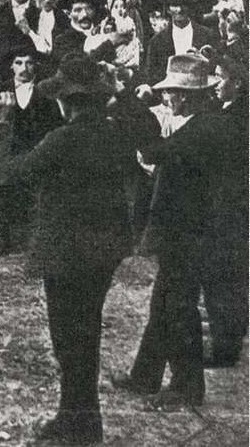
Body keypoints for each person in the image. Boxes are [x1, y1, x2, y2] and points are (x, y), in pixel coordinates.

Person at [0, 55, 133, 443]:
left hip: (68, 253)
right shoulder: (112, 133)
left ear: (67, 100)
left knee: (68, 340)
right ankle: (81, 420)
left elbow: (5, 174)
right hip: (104, 251)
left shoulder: (63, 140)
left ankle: (78, 425)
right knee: (85, 337)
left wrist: (1, 126)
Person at [113, 54, 228, 409]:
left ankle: (187, 387)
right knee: (164, 303)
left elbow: (154, 150)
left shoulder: (205, 129)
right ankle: (146, 375)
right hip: (185, 231)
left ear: (190, 95)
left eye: (173, 92)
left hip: (193, 234)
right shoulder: (200, 123)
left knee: (178, 309)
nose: (168, 98)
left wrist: (125, 99)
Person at [0, 47, 62, 254]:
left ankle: (35, 242)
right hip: (7, 151)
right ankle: (1, 240)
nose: (24, 68)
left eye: (28, 63)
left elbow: (54, 125)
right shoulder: (1, 90)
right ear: (11, 66)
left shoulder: (45, 92)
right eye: (19, 63)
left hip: (34, 152)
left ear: (35, 65)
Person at [201, 55, 249, 367]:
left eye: (221, 77)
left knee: (223, 278)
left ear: (238, 83)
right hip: (233, 208)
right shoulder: (232, 114)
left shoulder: (235, 120)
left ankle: (225, 349)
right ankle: (228, 340)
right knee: (231, 279)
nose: (216, 84)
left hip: (229, 209)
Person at [143, 0, 216, 86]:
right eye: (175, 5)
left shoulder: (206, 34)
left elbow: (214, 66)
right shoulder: (157, 41)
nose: (180, 10)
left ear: (189, 8)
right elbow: (151, 75)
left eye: (184, 5)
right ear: (168, 9)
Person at [51, 0, 119, 64]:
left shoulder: (104, 30)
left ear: (94, 10)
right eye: (78, 10)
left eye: (89, 9)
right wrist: (110, 43)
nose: (84, 14)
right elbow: (76, 66)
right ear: (68, 14)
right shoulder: (62, 40)